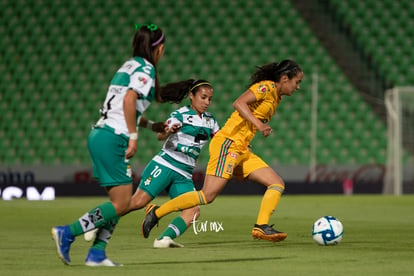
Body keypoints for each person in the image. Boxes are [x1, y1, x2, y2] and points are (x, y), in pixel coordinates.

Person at [51, 23, 189, 267]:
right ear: (159, 48)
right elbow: (129, 99)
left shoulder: (128, 66)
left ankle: (97, 253)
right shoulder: (146, 68)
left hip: (101, 134)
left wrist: (153, 126)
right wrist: (134, 136)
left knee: (119, 203)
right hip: (114, 138)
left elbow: (126, 106)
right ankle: (69, 232)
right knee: (122, 203)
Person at [142, 60, 304, 242]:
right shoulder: (265, 87)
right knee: (207, 195)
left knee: (276, 183)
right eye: (296, 82)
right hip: (228, 144)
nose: (298, 87)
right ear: (284, 78)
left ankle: (261, 227)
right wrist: (259, 125)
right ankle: (157, 212)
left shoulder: (276, 96)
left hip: (241, 149)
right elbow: (239, 103)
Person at [128, 79, 219, 248]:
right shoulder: (180, 115)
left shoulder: (211, 121)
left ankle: (163, 239)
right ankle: (98, 222)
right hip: (165, 164)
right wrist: (168, 130)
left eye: (210, 99)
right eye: (203, 97)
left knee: (193, 211)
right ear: (191, 96)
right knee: (137, 202)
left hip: (184, 174)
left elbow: (220, 140)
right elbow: (160, 136)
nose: (207, 102)